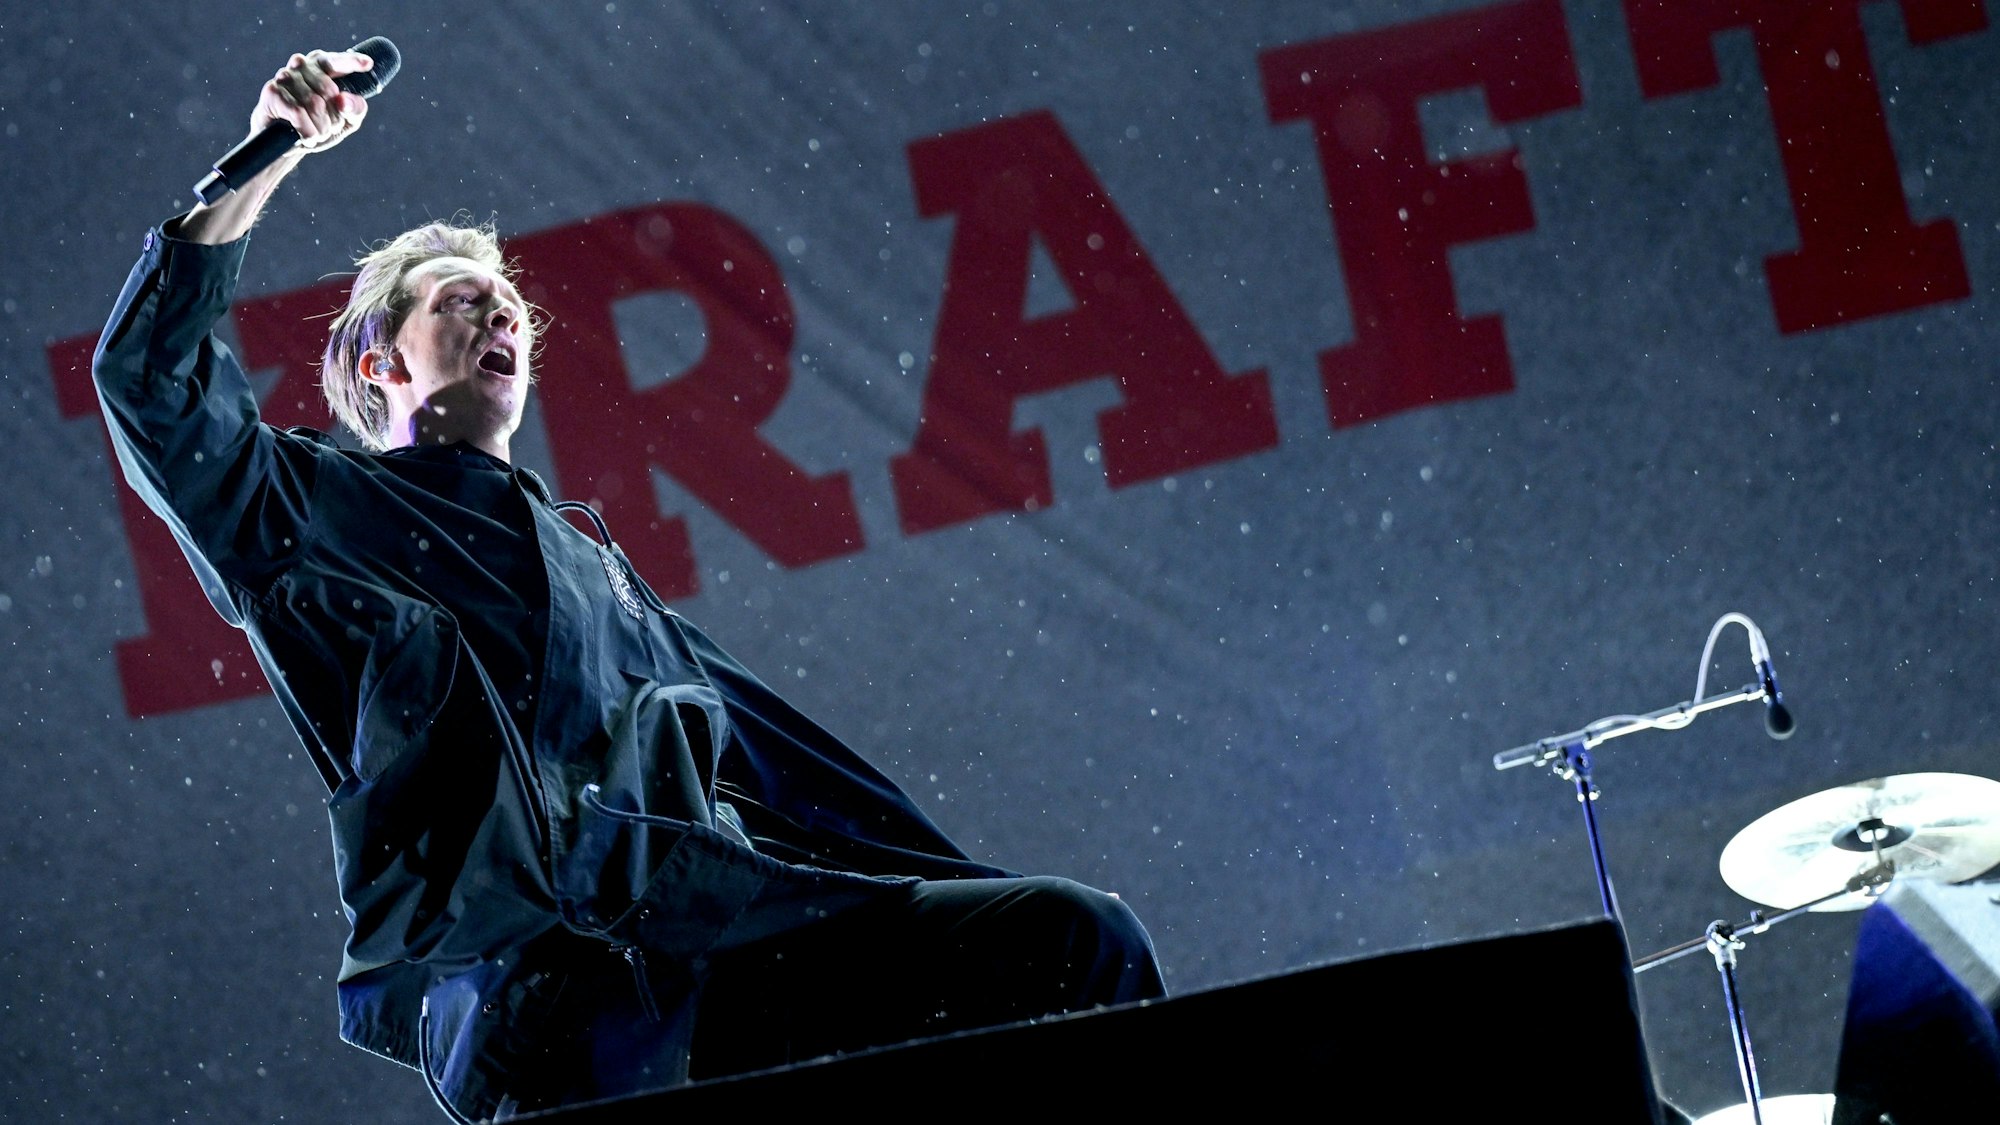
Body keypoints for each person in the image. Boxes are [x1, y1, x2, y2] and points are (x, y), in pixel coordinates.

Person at [94, 48, 1163, 1121]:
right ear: (379, 363)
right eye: (463, 303)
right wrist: (267, 156)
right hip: (549, 1013)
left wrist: (961, 899)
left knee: (1070, 940)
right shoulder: (314, 511)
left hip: (723, 956)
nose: (500, 317)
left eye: (509, 305)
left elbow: (804, 779)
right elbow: (151, 385)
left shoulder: (603, 580)